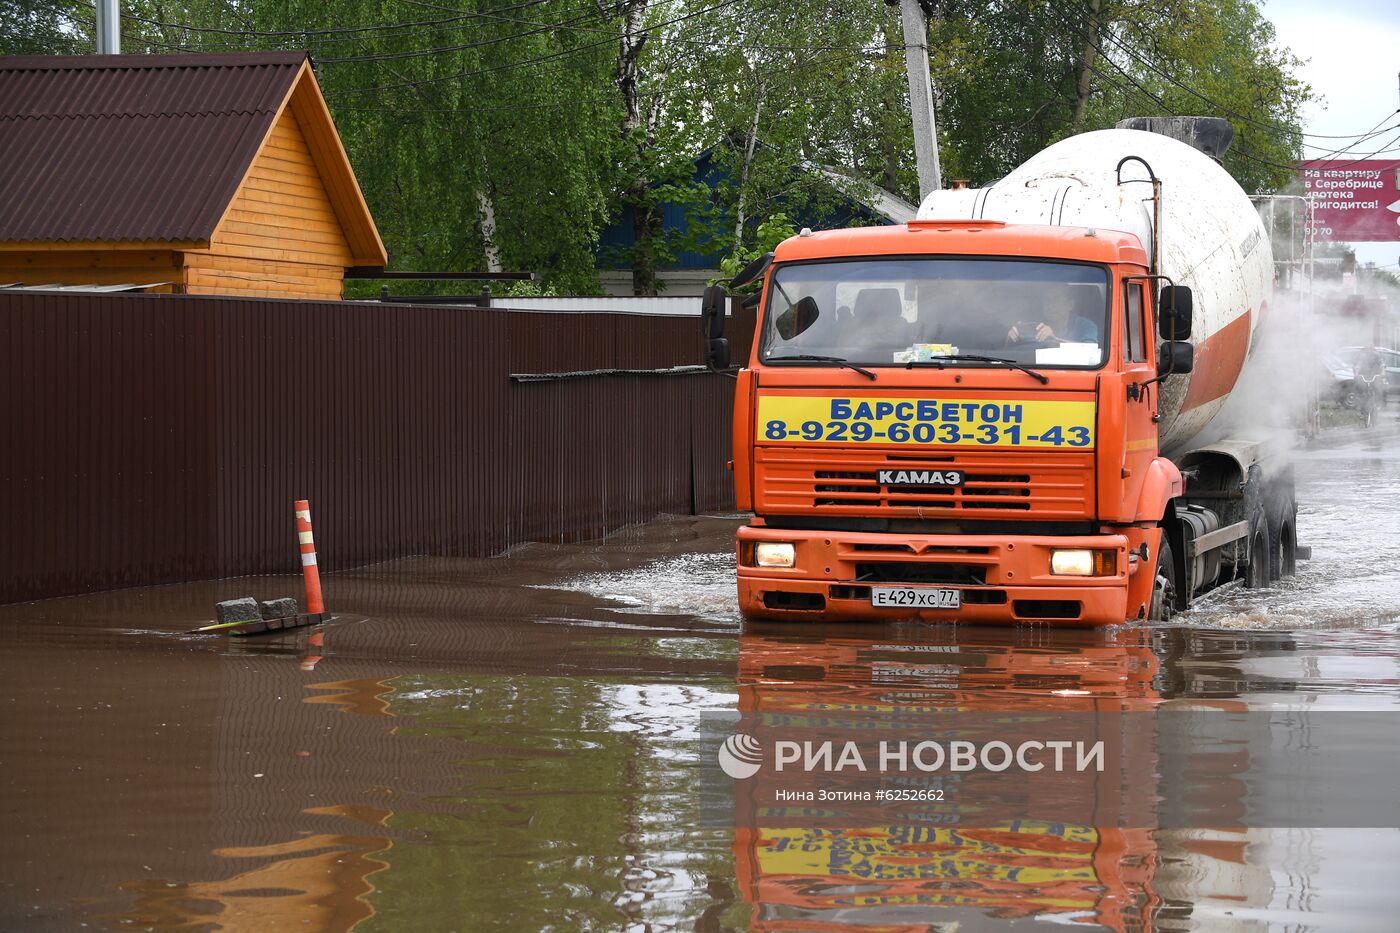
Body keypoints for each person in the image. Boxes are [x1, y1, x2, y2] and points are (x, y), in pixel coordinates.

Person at [1007, 290, 1099, 345]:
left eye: (1057, 299)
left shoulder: (1085, 326)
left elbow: (1090, 351)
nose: (1051, 305)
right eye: (1047, 300)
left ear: (1070, 304)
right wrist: (1011, 338)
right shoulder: (1036, 326)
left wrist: (1055, 340)